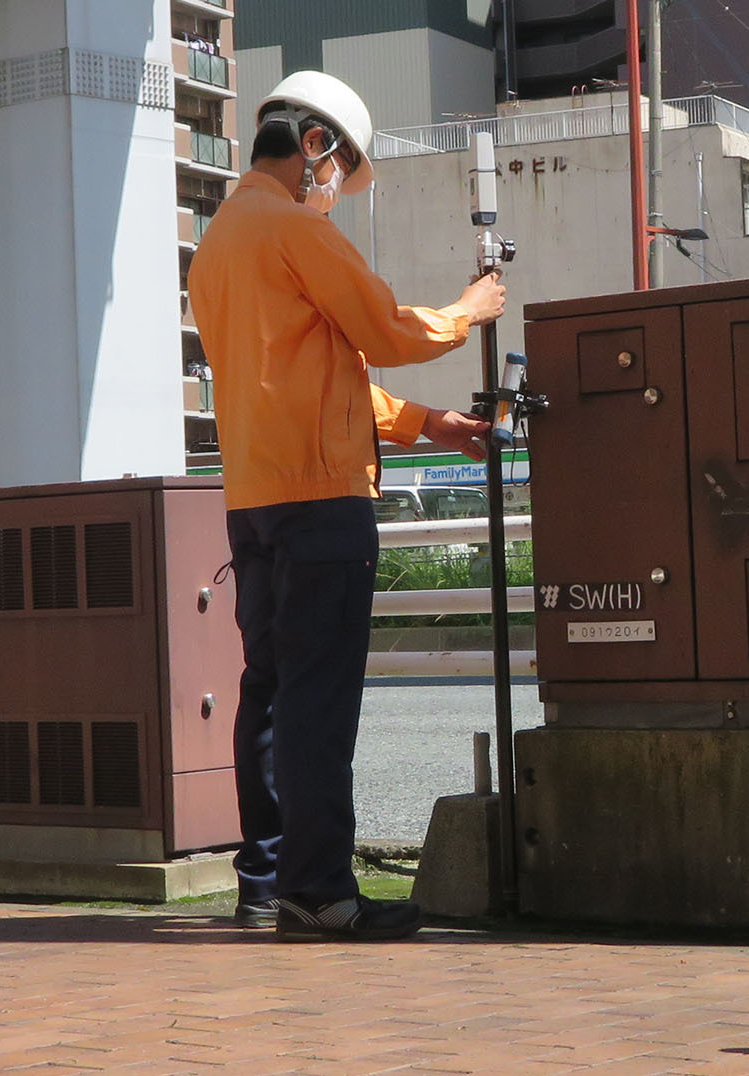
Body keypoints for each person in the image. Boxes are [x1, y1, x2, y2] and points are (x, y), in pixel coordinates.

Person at [189, 71, 505, 942]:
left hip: (254, 500)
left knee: (272, 694)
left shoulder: (217, 244)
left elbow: (316, 376)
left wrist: (429, 425)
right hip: (324, 501)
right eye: (337, 167)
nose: (334, 189)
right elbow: (385, 332)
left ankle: (267, 880)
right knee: (321, 704)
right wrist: (469, 312)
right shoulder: (295, 227)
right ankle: (321, 890)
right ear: (315, 145)